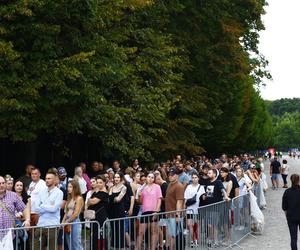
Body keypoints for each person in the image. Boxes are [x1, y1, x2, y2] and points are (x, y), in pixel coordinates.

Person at [33, 172, 63, 249]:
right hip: (41, 224)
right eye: (46, 178)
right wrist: (48, 207)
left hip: (52, 225)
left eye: (49, 178)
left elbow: (54, 209)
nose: (47, 180)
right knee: (35, 247)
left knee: (52, 248)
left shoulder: (59, 192)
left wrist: (42, 205)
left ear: (54, 180)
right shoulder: (42, 191)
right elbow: (36, 208)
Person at [136, 172, 162, 250]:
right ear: (146, 178)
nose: (150, 179)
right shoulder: (142, 188)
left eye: (152, 177)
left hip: (154, 211)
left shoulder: (157, 187)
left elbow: (159, 199)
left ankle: (153, 248)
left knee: (154, 232)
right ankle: (137, 248)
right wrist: (140, 195)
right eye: (149, 177)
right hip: (144, 212)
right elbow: (140, 202)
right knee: (140, 232)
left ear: (154, 179)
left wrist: (157, 211)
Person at [0, 176, 30, 243]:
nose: (1, 185)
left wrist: (27, 220)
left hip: (10, 236)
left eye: (3, 183)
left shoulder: (13, 195)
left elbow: (24, 208)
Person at [86, 175, 109, 250]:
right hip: (94, 217)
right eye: (97, 182)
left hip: (100, 218)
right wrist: (90, 201)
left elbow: (92, 201)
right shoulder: (95, 193)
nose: (98, 184)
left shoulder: (104, 193)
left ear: (104, 183)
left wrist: (90, 201)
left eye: (100, 182)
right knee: (94, 235)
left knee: (100, 236)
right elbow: (88, 203)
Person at [165, 167, 185, 250]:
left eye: (172, 175)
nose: (170, 176)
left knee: (173, 235)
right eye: (169, 175)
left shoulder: (179, 186)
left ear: (177, 176)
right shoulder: (170, 184)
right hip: (169, 214)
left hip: (174, 215)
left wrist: (178, 215)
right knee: (170, 235)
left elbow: (179, 201)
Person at [62, 180, 84, 250]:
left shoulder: (79, 198)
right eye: (68, 187)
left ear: (75, 188)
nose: (68, 188)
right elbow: (66, 212)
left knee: (76, 244)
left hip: (75, 222)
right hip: (68, 222)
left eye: (70, 187)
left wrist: (67, 221)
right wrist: (62, 223)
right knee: (70, 244)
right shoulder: (69, 198)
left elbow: (76, 213)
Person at [184, 173, 205, 247]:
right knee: (190, 225)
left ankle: (197, 240)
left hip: (197, 209)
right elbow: (185, 198)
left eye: (196, 177)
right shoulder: (188, 187)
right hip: (189, 209)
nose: (194, 179)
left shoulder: (201, 187)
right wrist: (184, 208)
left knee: (197, 225)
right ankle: (193, 240)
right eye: (193, 177)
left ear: (198, 178)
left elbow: (203, 199)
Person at [108, 172, 127, 249]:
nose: (116, 179)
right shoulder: (111, 187)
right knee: (113, 229)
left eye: (118, 177)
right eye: (115, 177)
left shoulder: (124, 187)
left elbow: (118, 199)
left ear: (121, 178)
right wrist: (113, 198)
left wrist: (112, 198)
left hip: (119, 211)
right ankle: (113, 247)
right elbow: (109, 198)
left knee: (120, 230)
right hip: (112, 211)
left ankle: (121, 247)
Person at [282, 174, 300, 250]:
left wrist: (287, 215)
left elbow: (284, 207)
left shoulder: (287, 192)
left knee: (293, 238)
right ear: (299, 180)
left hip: (291, 217)